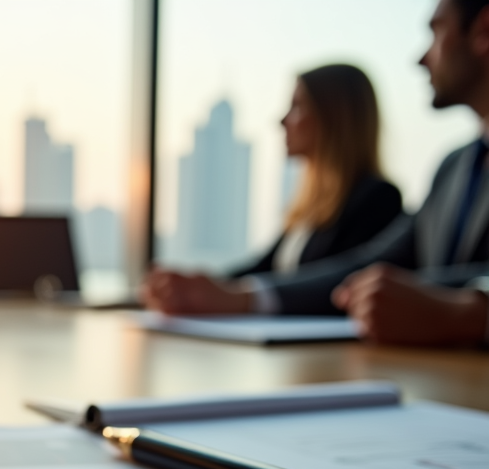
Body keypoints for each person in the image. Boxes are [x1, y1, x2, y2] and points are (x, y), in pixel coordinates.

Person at [150, 0, 489, 347]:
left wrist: (468, 311)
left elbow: (420, 288)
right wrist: (229, 294)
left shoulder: (376, 197)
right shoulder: (452, 169)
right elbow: (369, 268)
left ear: (484, 31)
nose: (421, 58)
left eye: (437, 30)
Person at [144, 64, 402, 315]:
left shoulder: (378, 198)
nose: (282, 121)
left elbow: (340, 280)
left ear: (334, 119)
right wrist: (195, 289)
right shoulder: (310, 207)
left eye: (297, 107)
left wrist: (225, 296)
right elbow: (262, 268)